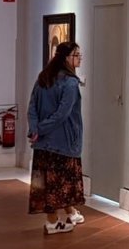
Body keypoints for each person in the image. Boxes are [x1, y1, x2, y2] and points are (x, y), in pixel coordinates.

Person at [26, 42, 86, 235]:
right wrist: (40, 129)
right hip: (63, 142)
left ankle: (70, 213)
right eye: (76, 54)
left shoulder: (43, 78)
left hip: (43, 143)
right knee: (60, 184)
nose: (80, 58)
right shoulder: (70, 83)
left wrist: (35, 129)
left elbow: (32, 108)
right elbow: (62, 114)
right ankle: (53, 222)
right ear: (66, 58)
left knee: (47, 182)